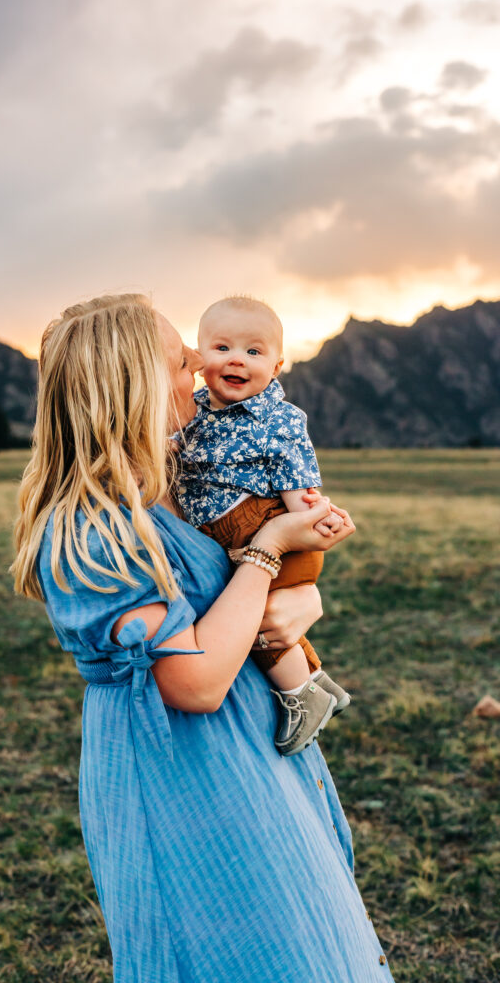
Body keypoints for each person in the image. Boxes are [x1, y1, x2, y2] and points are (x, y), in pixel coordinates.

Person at [11, 294, 394, 983]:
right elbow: (193, 680)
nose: (196, 368)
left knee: (310, 944)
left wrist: (298, 598)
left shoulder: (166, 493)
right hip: (185, 775)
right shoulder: (91, 528)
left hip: (244, 751)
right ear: (133, 385)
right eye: (178, 360)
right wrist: (270, 551)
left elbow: (235, 610)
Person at [173, 295, 351, 756]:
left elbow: (297, 475)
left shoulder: (279, 419)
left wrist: (309, 517)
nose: (237, 359)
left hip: (262, 523)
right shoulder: (191, 411)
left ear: (276, 366)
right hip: (226, 528)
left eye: (254, 352)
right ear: (198, 358)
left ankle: (301, 694)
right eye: (222, 347)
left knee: (253, 614)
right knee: (249, 610)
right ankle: (317, 681)